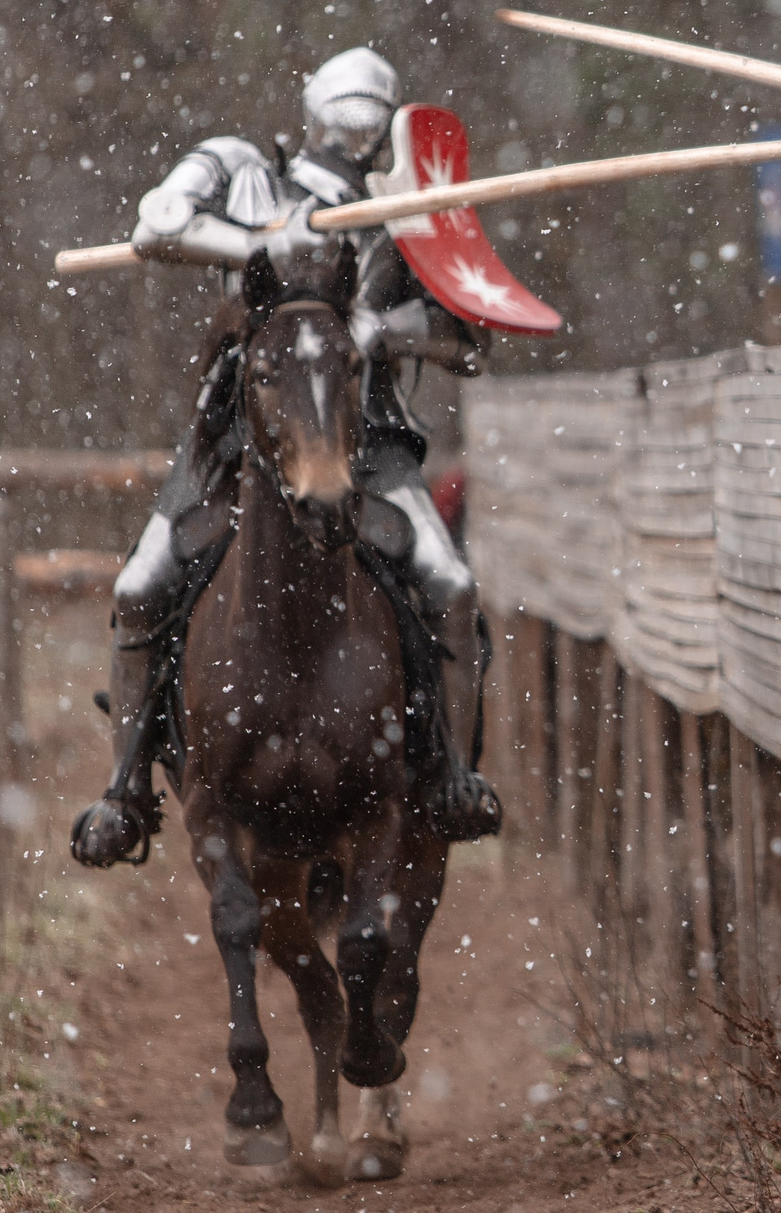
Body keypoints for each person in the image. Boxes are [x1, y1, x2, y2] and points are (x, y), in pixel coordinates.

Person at [70, 48, 501, 869]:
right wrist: (267, 237)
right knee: (137, 586)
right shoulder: (245, 172)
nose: (355, 133)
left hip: (367, 444)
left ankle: (450, 774)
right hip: (237, 439)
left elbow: (467, 339)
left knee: (450, 583)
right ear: (311, 112)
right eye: (345, 116)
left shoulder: (403, 211)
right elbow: (158, 223)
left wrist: (384, 330)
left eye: (369, 121)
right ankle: (126, 789)